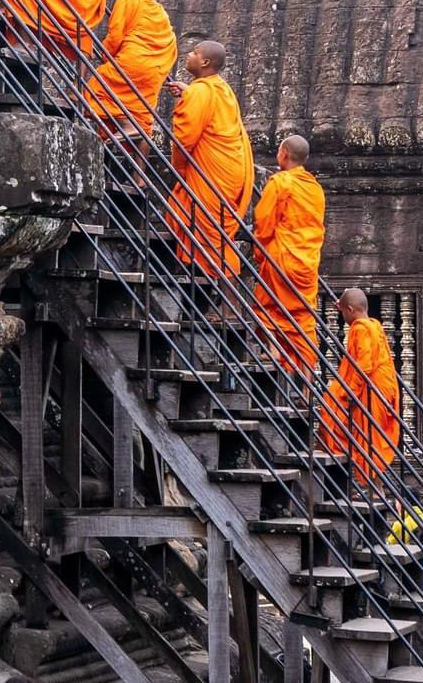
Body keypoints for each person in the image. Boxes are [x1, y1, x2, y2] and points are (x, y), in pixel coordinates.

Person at [165, 39, 254, 276]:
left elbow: (184, 139)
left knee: (211, 235)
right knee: (214, 232)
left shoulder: (202, 92)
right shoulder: (221, 89)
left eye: (194, 53)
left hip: (211, 173)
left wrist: (179, 170)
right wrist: (190, 92)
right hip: (229, 170)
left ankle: (226, 292)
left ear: (204, 62)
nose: (188, 55)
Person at [251, 134, 325, 383]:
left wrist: (259, 248)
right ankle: (306, 386)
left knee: (267, 305)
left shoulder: (280, 183)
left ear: (283, 154)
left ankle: (272, 351)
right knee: (303, 320)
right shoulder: (314, 188)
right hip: (307, 263)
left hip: (282, 257)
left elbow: (263, 221)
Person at [83, 0, 178, 139]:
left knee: (96, 88)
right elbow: (171, 41)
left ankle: (127, 125)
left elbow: (115, 36)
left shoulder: (127, 0)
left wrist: (106, 55)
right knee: (142, 116)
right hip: (155, 70)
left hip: (133, 63)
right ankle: (138, 165)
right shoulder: (160, 11)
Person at [320, 288, 401, 486]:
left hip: (371, 387)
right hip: (384, 384)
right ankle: (372, 488)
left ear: (350, 310)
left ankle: (369, 487)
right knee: (370, 436)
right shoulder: (374, 324)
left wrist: (351, 393)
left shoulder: (360, 328)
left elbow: (364, 365)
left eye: (343, 313)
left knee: (362, 432)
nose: (343, 317)